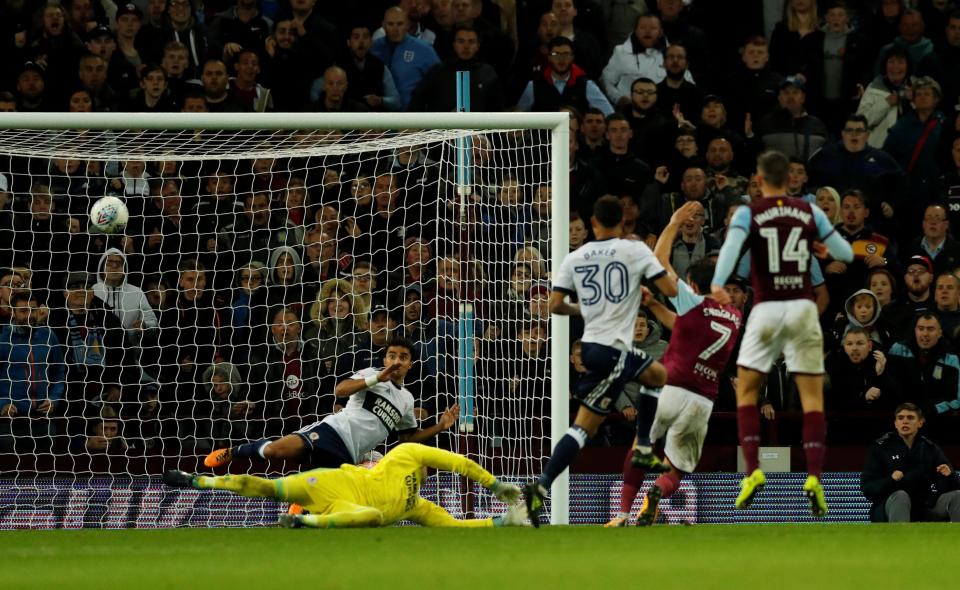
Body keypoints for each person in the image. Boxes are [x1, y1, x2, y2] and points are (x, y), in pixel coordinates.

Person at [710, 150, 854, 516]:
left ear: (759, 179)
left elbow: (729, 252)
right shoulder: (809, 211)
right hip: (803, 307)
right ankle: (815, 476)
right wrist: (821, 248)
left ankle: (754, 470)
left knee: (746, 389)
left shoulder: (750, 211)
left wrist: (717, 283)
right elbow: (846, 253)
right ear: (791, 179)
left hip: (768, 307)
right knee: (811, 396)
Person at [522, 195, 678, 527]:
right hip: (613, 350)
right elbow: (670, 289)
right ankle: (644, 447)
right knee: (651, 380)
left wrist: (584, 309)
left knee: (648, 381)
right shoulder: (634, 250)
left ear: (593, 224)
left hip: (594, 347)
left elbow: (553, 306)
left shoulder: (575, 256)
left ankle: (543, 484)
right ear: (623, 221)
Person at [607, 202, 742, 527]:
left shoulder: (694, 302)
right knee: (678, 467)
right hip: (703, 399)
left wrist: (673, 222)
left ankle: (623, 514)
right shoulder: (735, 316)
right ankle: (656, 491)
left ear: (695, 287)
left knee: (641, 447)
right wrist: (653, 305)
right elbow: (684, 327)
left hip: (669, 387)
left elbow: (659, 262)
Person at [204, 338, 459, 470]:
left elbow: (407, 440)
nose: (396, 360)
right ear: (385, 358)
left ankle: (298, 512)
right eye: (392, 355)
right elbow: (340, 389)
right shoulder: (371, 373)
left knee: (319, 489)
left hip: (352, 454)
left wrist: (440, 426)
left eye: (403, 357)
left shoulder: (407, 399)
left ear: (410, 364)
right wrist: (375, 378)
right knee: (275, 451)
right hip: (333, 431)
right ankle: (232, 452)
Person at [165, 442, 526, 528]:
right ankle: (198, 480)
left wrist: (500, 521)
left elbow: (454, 526)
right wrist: (493, 485)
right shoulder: (404, 452)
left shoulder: (417, 505)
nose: (435, 466)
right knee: (267, 486)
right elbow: (456, 462)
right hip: (330, 481)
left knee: (369, 515)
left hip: (341, 507)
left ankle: (302, 521)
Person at [860, 403, 960, 522]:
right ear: (895, 423)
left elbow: (948, 488)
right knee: (901, 496)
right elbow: (868, 488)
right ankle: (900, 539)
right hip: (890, 506)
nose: (905, 421)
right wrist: (890, 480)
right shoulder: (881, 448)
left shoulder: (930, 449)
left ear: (920, 422)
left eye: (910, 417)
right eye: (900, 418)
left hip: (923, 507)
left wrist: (949, 476)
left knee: (957, 496)